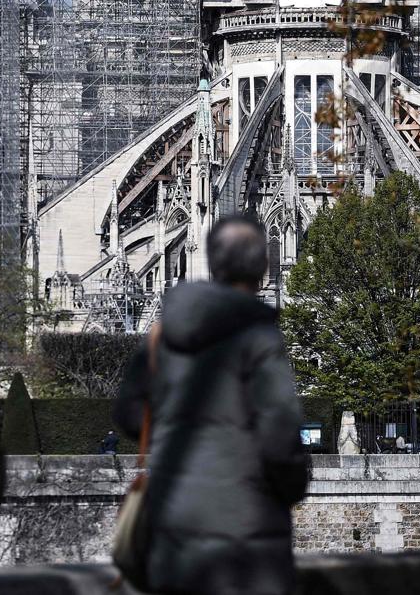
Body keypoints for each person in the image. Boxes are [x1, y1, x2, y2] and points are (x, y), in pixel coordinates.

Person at [113, 216, 307, 595]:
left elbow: (128, 413)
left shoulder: (163, 332)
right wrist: (290, 487)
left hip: (174, 526)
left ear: (209, 259)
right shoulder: (259, 337)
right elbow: (280, 435)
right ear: (264, 266)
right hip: (249, 532)